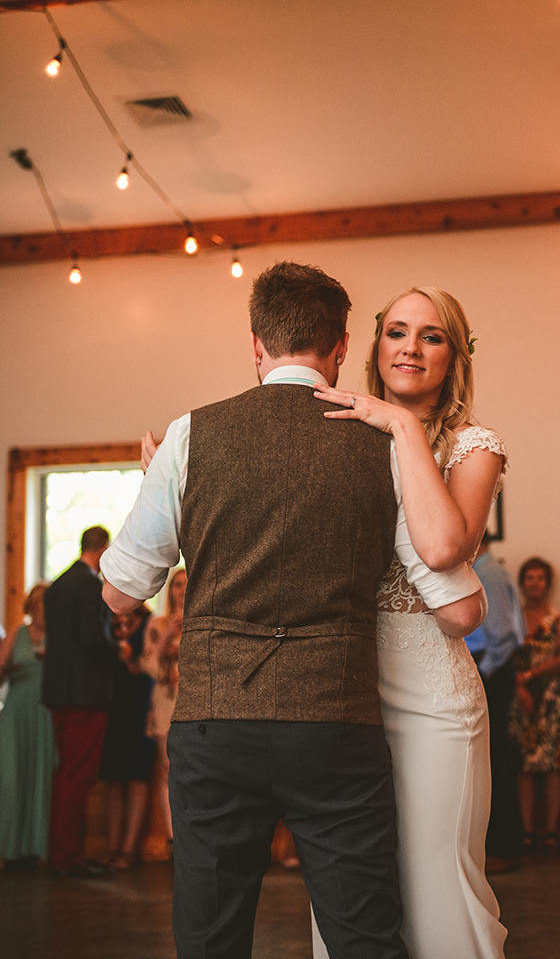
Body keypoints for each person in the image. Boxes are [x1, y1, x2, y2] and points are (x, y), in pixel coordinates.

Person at [100, 262, 483, 959]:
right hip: (335, 725)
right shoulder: (382, 445)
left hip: (215, 725)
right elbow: (456, 608)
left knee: (209, 939)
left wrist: (168, 496)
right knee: (362, 934)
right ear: (341, 346)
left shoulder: (190, 436)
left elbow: (122, 593)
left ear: (256, 344)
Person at [313, 285, 508, 959]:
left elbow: (442, 548)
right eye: (397, 331)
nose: (410, 348)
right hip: (343, 689)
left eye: (430, 336)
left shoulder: (473, 446)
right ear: (374, 346)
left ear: (453, 356)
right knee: (344, 889)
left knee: (436, 884)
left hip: (431, 695)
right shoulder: (333, 437)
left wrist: (398, 427)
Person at [42, 526, 122, 877]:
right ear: (103, 550)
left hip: (60, 691)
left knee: (65, 775)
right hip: (84, 694)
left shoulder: (58, 584)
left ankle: (63, 853)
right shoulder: (90, 586)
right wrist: (118, 648)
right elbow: (92, 638)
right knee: (78, 776)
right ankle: (67, 857)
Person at [464, 537, 526, 873]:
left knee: (496, 759)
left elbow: (505, 634)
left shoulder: (489, 574)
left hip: (492, 670)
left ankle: (504, 845)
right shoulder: (483, 571)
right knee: (490, 758)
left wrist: (483, 673)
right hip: (486, 668)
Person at [510, 557, 560, 851]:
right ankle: (525, 830)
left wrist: (530, 675)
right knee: (524, 765)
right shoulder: (513, 615)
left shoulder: (558, 617)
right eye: (529, 577)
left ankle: (551, 830)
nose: (534, 582)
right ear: (522, 582)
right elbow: (501, 652)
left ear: (548, 583)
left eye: (540, 577)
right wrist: (519, 683)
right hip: (521, 697)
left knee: (553, 764)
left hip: (554, 697)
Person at [0, 584, 56, 867]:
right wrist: (6, 669)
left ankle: (38, 849)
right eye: (40, 602)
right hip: (17, 712)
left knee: (42, 777)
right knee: (11, 778)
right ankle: (8, 848)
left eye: (49, 602)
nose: (44, 607)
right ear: (31, 606)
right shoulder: (14, 633)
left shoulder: (60, 637)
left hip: (46, 713)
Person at [98, 603, 154, 869]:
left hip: (140, 703)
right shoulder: (106, 618)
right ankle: (111, 846)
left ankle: (129, 850)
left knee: (136, 775)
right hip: (112, 703)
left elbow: (151, 662)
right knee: (112, 777)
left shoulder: (149, 621)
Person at [141, 568, 186, 856]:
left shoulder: (202, 624)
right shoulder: (156, 623)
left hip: (195, 702)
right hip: (165, 703)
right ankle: (172, 839)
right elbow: (150, 666)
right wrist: (168, 632)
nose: (181, 590)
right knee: (168, 771)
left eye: (185, 585)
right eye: (176, 585)